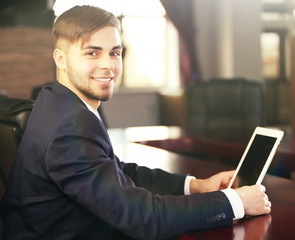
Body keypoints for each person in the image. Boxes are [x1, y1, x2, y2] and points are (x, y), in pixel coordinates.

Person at [0, 5, 271, 240]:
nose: (108, 65)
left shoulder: (54, 100)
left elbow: (119, 170)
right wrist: (236, 202)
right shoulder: (69, 128)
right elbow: (145, 220)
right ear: (60, 58)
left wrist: (196, 186)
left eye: (115, 53)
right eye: (92, 53)